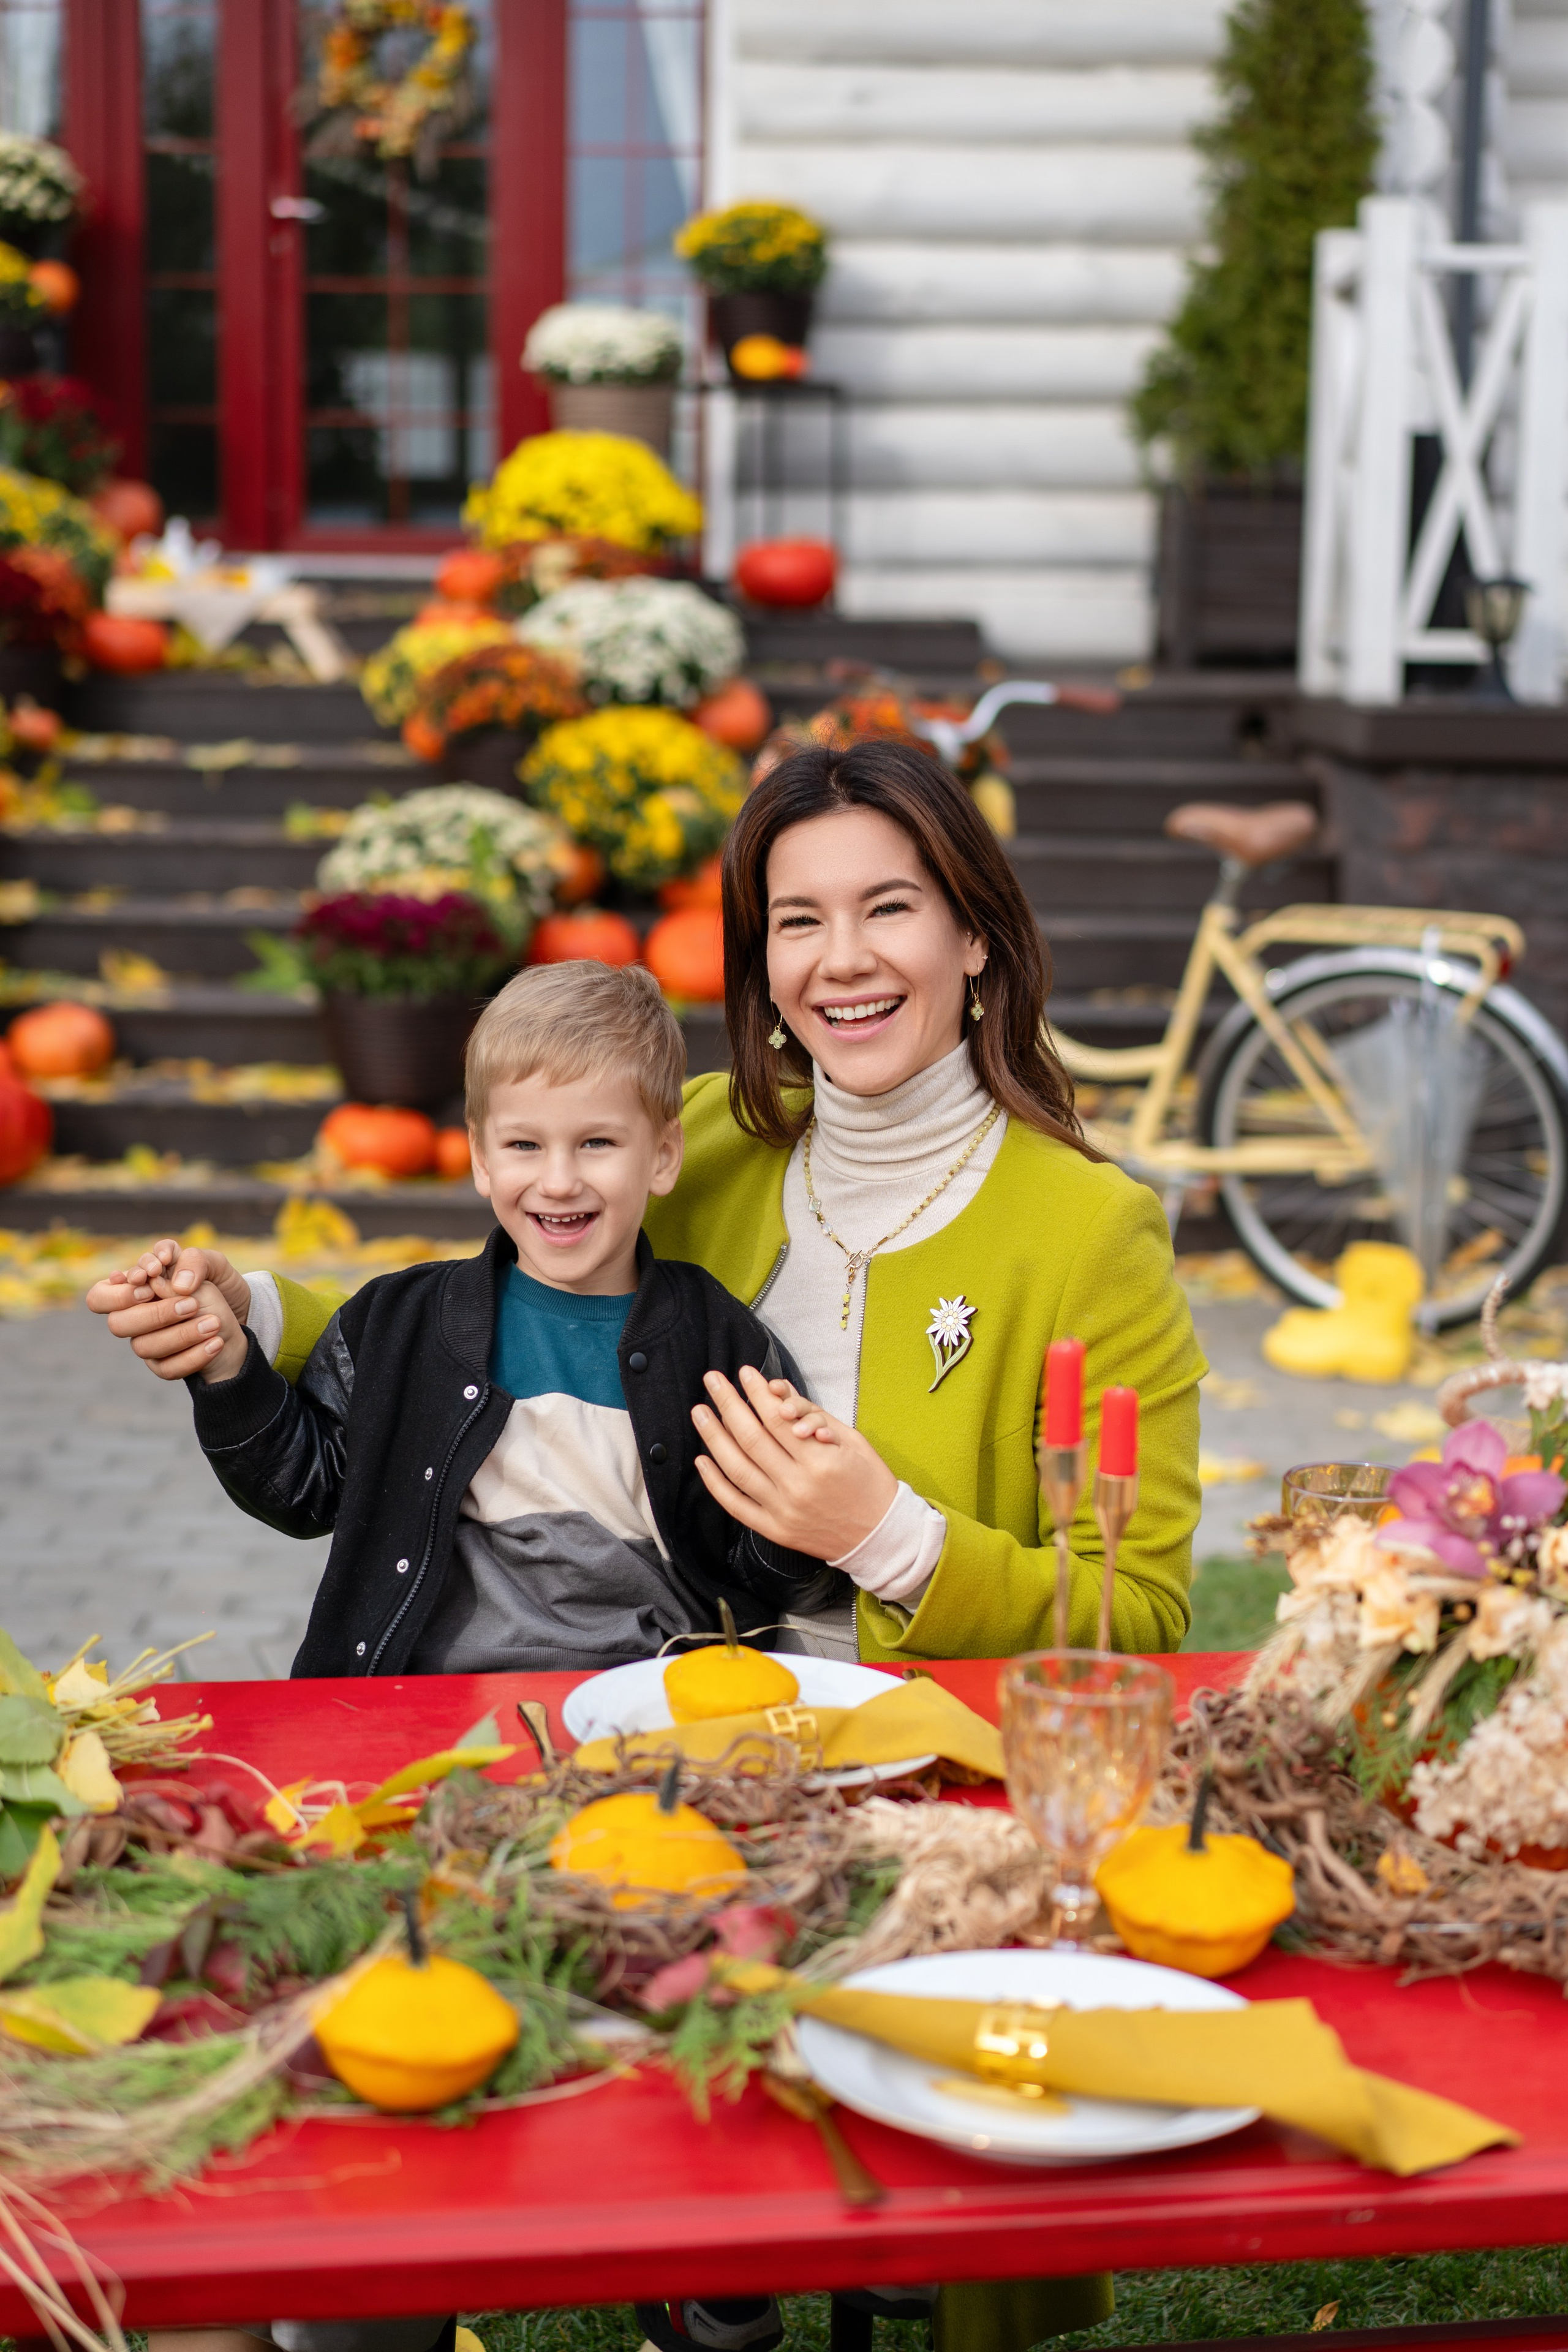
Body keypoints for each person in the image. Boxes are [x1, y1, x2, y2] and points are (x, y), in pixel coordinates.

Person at [92, 739, 1207, 2352]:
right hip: (635, 1736)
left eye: (888, 908)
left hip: (901, 1801)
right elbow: (476, 1324)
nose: (840, 961)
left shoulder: (1088, 1234)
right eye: (795, 920)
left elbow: (1143, 1612)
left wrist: (887, 1535)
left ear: (975, 936)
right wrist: (250, 1313)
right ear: (756, 959)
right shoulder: (707, 1138)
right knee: (370, 2100)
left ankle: (762, 2262)